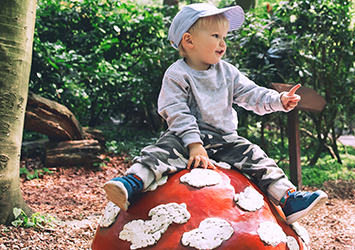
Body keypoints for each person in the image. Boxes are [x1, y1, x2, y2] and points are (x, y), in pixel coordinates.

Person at [102, 3, 327, 224]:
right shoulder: (177, 74)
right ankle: (132, 183)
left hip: (225, 139)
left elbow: (251, 94)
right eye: (216, 35)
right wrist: (194, 144)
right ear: (188, 40)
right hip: (183, 139)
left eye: (224, 37)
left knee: (256, 156)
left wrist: (279, 100)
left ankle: (288, 198)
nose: (223, 43)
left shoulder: (228, 72)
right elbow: (176, 111)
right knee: (159, 152)